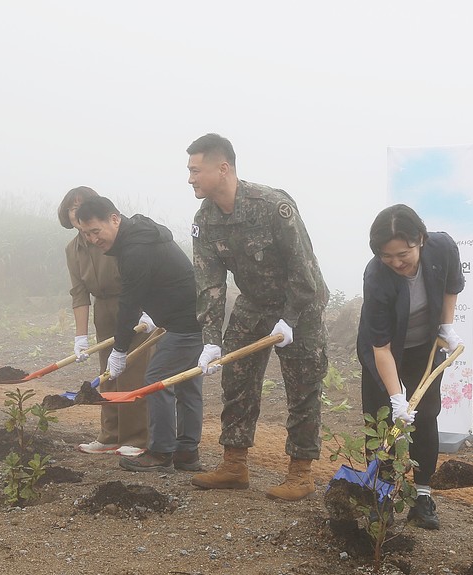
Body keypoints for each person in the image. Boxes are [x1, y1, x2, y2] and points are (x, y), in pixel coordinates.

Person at [185, 133, 330, 501]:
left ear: (223, 168)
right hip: (254, 304)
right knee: (237, 378)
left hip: (301, 304)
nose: (190, 179)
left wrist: (291, 318)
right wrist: (211, 341)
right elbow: (209, 284)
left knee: (302, 386)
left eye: (195, 171)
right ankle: (234, 465)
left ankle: (300, 472)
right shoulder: (205, 220)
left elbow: (304, 270)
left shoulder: (272, 206)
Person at [73, 196, 205, 473]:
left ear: (114, 219)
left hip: (185, 322)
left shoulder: (135, 249)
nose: (93, 239)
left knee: (156, 380)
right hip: (189, 317)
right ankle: (186, 452)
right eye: (86, 234)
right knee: (187, 385)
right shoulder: (136, 237)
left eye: (96, 231)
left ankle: (161, 452)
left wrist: (120, 349)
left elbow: (129, 302)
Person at [356, 205, 465, 530]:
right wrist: (395, 399)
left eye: (403, 254)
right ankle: (381, 496)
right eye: (387, 256)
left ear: (420, 239)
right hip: (384, 350)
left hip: (423, 348)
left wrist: (446, 326)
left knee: (426, 414)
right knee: (381, 418)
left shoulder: (442, 248)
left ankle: (422, 496)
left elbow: (451, 285)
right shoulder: (376, 276)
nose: (396, 263)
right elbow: (381, 348)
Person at [59, 187, 150, 457]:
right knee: (108, 373)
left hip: (131, 305)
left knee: (132, 372)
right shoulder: (72, 249)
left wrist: (148, 308)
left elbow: (139, 277)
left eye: (83, 205)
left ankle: (137, 438)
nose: (77, 212)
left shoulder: (112, 240)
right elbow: (79, 293)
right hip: (103, 309)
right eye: (72, 207)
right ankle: (110, 434)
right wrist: (80, 337)